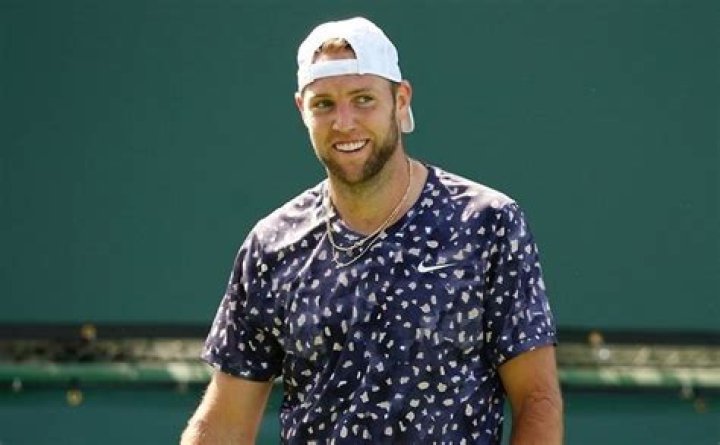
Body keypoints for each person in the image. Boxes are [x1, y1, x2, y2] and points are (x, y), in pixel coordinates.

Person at [181, 16, 563, 445]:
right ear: (301, 110)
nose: (344, 122)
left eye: (363, 99)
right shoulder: (271, 244)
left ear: (401, 100)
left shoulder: (488, 222)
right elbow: (223, 424)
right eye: (324, 104)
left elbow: (537, 401)